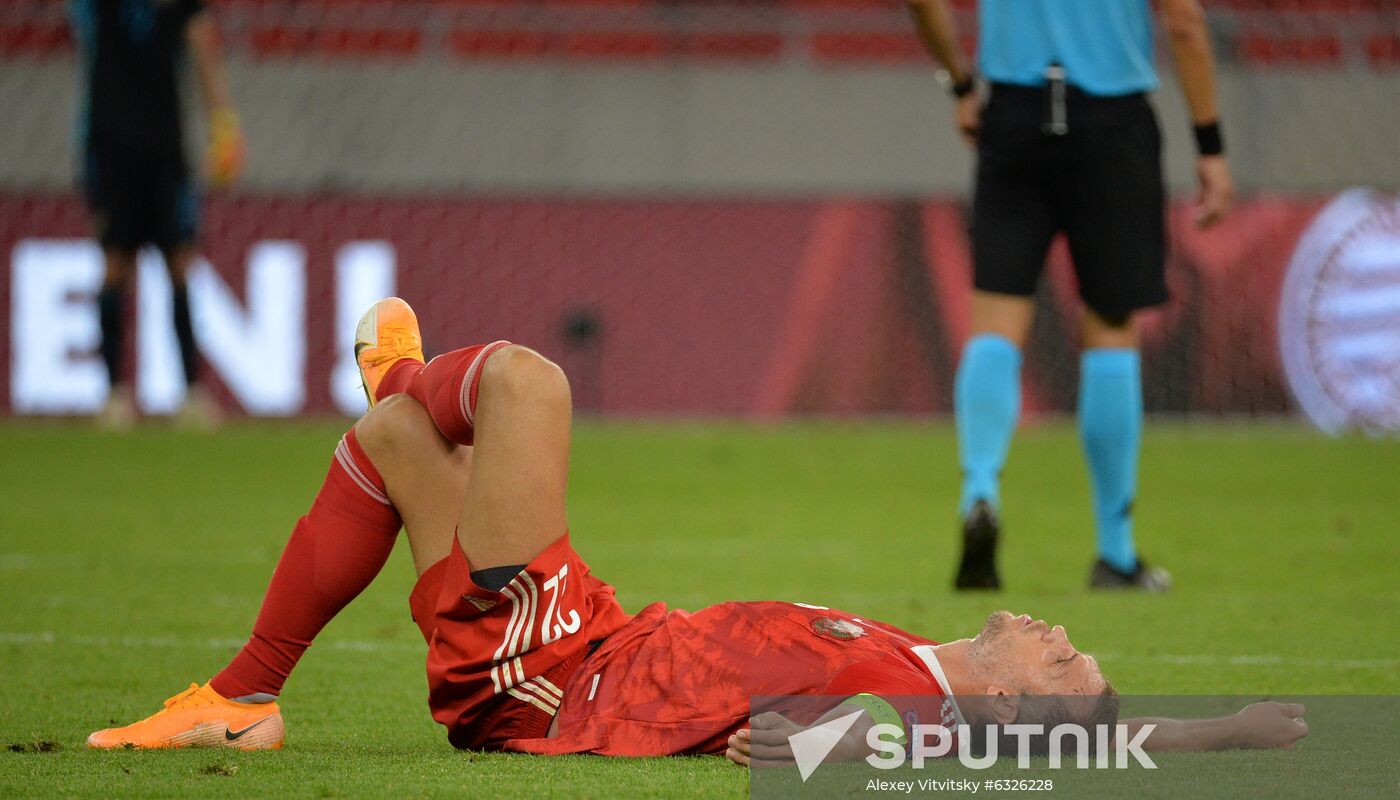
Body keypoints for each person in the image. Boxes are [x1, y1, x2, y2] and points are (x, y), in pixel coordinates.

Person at [87, 300, 1307, 761]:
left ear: (1009, 707)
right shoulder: (920, 663)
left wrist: (798, 743)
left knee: (524, 384)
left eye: (1056, 659)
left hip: (560, 677)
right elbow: (1098, 740)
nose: (1050, 629)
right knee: (402, 454)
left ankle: (397, 372)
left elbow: (838, 740)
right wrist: (1230, 733)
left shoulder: (913, 709)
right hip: (586, 639)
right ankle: (245, 695)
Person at [907, 0, 1234, 591]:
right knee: (1110, 327)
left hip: (1013, 114)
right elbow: (1183, 20)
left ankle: (979, 490)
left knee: (996, 320)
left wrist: (959, 80)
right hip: (1111, 121)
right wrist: (1210, 143)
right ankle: (1116, 553)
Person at [70, 0, 245, 430]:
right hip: (110, 148)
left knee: (180, 264)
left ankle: (190, 393)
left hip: (166, 151)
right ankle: (112, 393)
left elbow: (202, 43)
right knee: (114, 266)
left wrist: (222, 121)